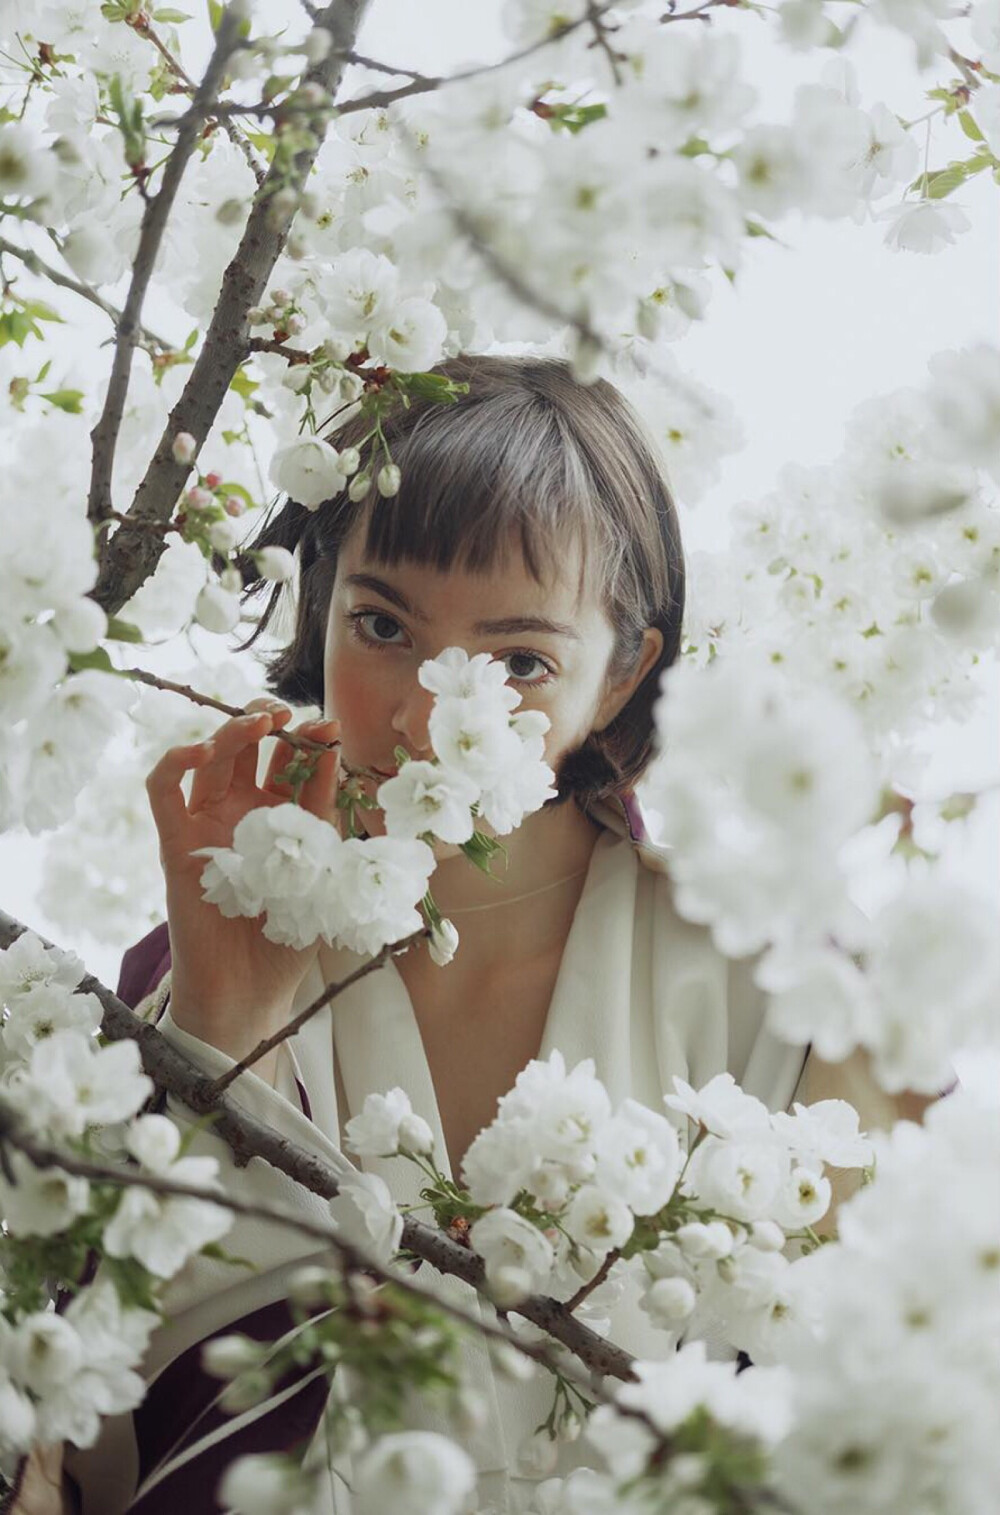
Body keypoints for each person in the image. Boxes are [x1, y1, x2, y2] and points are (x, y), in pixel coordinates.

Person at [47, 355, 936, 1515]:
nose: (427, 711)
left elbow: (898, 1419)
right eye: (381, 624)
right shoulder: (191, 963)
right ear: (319, 611)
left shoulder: (788, 983)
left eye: (520, 661)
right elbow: (84, 1438)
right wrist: (228, 1032)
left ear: (622, 675)